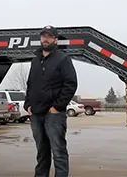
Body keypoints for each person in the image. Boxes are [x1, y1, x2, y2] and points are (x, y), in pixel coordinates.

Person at [24, 25, 78, 177]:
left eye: (49, 36)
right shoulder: (35, 60)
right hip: (36, 113)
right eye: (43, 36)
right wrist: (27, 104)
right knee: (42, 153)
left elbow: (71, 84)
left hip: (53, 114)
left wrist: (57, 107)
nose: (45, 39)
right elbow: (30, 84)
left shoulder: (63, 59)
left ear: (55, 39)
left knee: (58, 152)